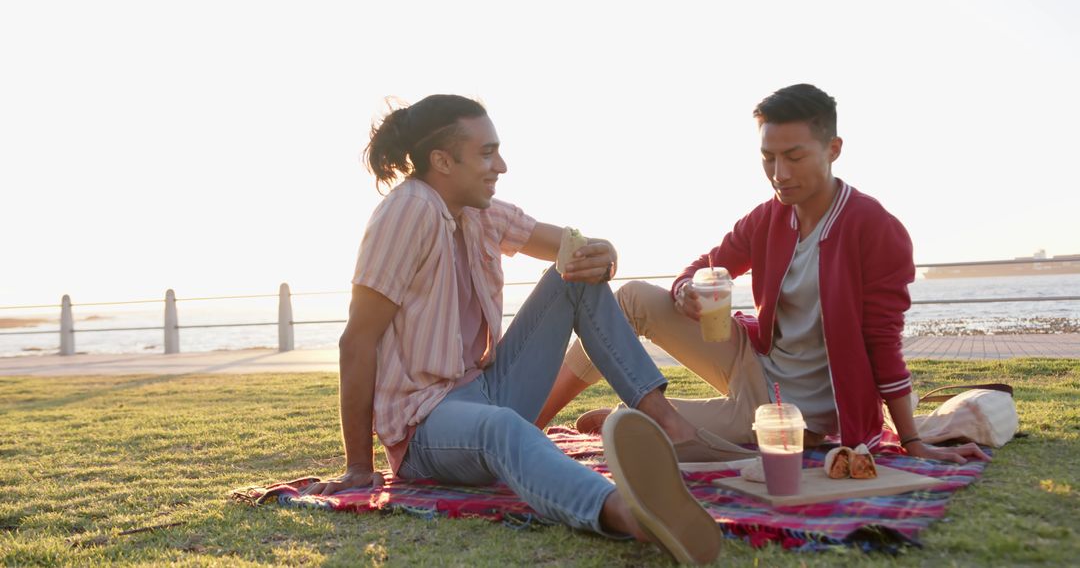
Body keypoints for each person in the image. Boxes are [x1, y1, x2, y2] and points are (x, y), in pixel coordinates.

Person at [300, 94, 729, 564]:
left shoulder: (479, 209)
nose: (500, 165)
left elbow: (573, 248)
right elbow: (357, 340)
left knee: (574, 280)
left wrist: (603, 253)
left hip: (487, 388)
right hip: (425, 428)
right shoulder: (408, 212)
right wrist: (359, 467)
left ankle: (669, 427)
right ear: (442, 161)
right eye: (486, 152)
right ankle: (628, 514)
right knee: (501, 427)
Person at [538, 84, 990, 465]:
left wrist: (910, 439)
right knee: (633, 296)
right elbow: (705, 265)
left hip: (792, 411)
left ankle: (632, 417)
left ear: (833, 149)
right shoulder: (769, 218)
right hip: (753, 359)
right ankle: (532, 420)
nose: (779, 173)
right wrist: (684, 291)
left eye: (794, 156)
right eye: (768, 158)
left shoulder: (875, 230)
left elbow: (883, 343)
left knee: (630, 429)